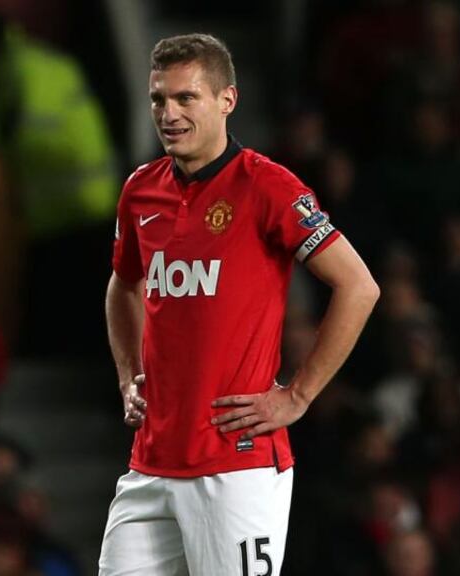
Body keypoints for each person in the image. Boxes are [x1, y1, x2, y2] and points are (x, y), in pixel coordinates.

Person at [100, 34, 379, 575]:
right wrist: (128, 373)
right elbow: (123, 284)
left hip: (236, 466)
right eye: (159, 99)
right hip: (151, 464)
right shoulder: (141, 190)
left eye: (187, 98)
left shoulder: (267, 186)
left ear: (227, 100)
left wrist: (298, 395)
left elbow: (359, 286)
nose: (169, 113)